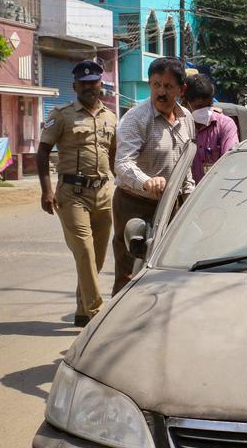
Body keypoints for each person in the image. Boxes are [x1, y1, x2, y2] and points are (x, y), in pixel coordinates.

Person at [37, 60, 117, 328]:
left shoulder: (111, 117)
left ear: (100, 85)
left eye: (93, 83)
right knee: (84, 251)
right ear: (74, 87)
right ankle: (97, 314)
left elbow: (115, 155)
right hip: (72, 193)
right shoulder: (61, 115)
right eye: (83, 84)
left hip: (104, 192)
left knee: (98, 256)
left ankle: (82, 308)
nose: (88, 87)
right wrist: (46, 190)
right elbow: (43, 151)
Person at [112, 57, 194, 294]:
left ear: (181, 89)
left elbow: (186, 162)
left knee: (169, 267)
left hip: (172, 205)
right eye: (156, 84)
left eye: (168, 86)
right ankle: (120, 326)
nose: (161, 92)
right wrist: (146, 182)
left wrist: (189, 196)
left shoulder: (186, 118)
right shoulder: (135, 119)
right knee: (129, 270)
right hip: (134, 204)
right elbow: (123, 163)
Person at [183, 74, 239, 184]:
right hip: (185, 195)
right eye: (199, 107)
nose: (205, 110)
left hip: (215, 190)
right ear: (185, 104)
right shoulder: (179, 126)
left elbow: (230, 161)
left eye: (208, 105)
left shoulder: (225, 124)